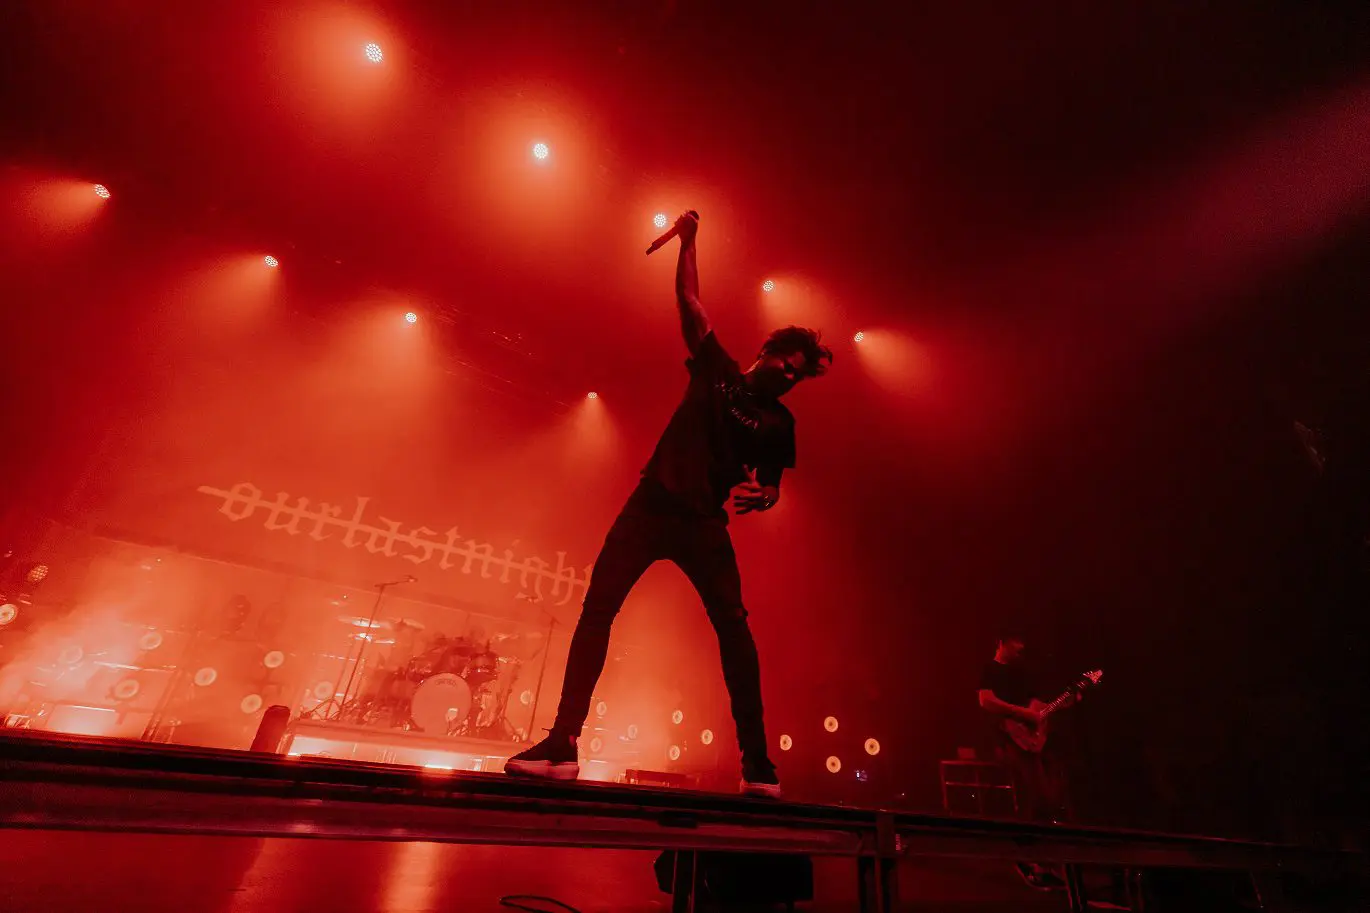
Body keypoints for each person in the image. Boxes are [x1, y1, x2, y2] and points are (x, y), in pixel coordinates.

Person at [505, 211, 832, 797]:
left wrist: (767, 493)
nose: (791, 376)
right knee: (596, 611)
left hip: (704, 525)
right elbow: (691, 302)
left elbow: (774, 482)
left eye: (801, 376)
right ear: (768, 351)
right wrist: (690, 241)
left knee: (735, 634)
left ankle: (757, 765)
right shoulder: (718, 370)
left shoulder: (780, 422)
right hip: (649, 505)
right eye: (789, 364)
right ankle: (562, 745)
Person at [977, 633, 1073, 822]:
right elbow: (986, 701)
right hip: (1007, 735)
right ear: (1001, 643)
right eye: (1015, 643)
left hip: (1030, 735)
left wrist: (1061, 704)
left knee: (1053, 777)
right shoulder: (990, 669)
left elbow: (1036, 704)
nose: (1020, 647)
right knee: (1033, 785)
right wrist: (1024, 714)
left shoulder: (1021, 671)